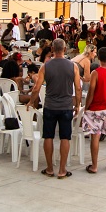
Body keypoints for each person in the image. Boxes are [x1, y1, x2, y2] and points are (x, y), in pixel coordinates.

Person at [29, 38, 81, 178]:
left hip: (50, 105)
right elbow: (78, 87)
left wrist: (31, 102)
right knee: (65, 137)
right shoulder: (73, 66)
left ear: (52, 49)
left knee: (48, 136)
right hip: (66, 106)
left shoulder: (46, 66)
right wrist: (77, 104)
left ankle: (50, 168)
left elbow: (36, 88)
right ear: (64, 49)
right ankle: (62, 169)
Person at [82, 47, 106, 173]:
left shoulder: (96, 73)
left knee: (95, 136)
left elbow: (91, 92)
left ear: (98, 57)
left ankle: (94, 166)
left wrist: (86, 107)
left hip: (97, 108)